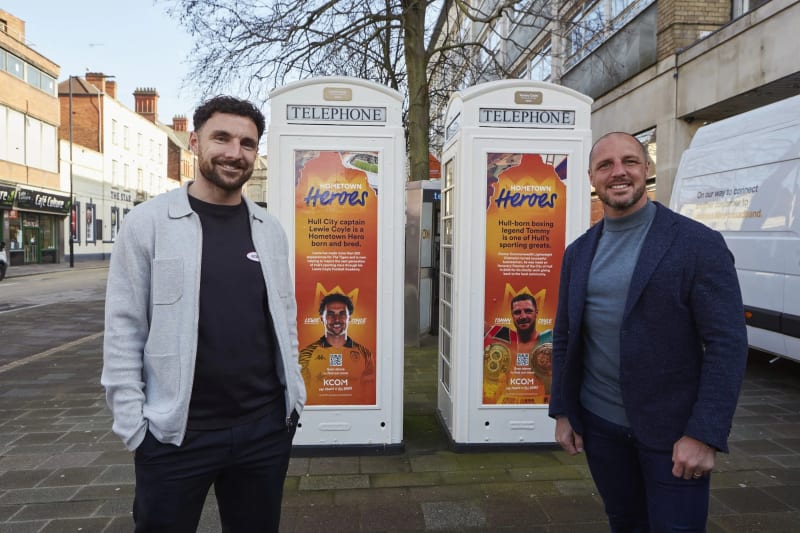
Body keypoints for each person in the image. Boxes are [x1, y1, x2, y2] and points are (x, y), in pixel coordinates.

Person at [101, 95, 306, 533]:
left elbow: (284, 317)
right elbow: (124, 329)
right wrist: (135, 428)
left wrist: (294, 402)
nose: (235, 152)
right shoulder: (147, 224)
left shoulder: (269, 230)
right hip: (175, 435)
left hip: (263, 431)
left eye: (247, 143)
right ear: (195, 142)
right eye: (222, 138)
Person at [549, 131, 748, 532]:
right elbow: (566, 336)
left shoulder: (698, 244)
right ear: (591, 177)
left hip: (675, 435)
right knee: (625, 523)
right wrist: (564, 411)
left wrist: (704, 434)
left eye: (630, 161)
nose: (618, 172)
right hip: (601, 428)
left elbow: (727, 344)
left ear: (647, 169)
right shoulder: (579, 253)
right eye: (605, 165)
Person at [298, 293, 375, 405]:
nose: (337, 319)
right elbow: (302, 399)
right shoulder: (306, 355)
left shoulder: (365, 355)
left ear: (349, 318)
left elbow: (369, 397)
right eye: (330, 314)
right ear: (322, 319)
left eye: (342, 314)